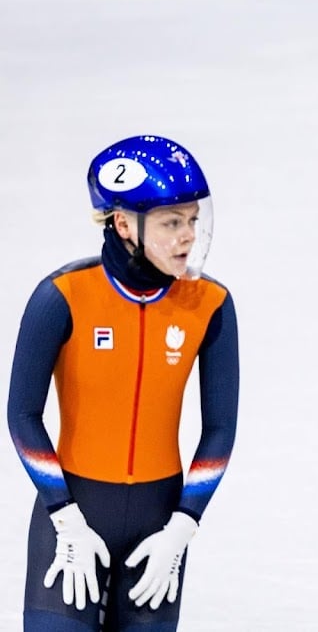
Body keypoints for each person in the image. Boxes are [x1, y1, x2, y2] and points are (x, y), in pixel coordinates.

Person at [7, 135, 239, 631]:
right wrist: (65, 520)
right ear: (123, 223)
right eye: (172, 222)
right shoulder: (62, 297)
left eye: (193, 220)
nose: (188, 236)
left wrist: (182, 527)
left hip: (159, 527)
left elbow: (219, 429)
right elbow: (22, 414)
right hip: (72, 519)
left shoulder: (212, 305)